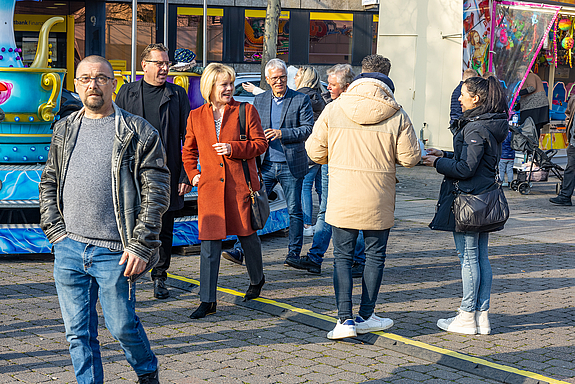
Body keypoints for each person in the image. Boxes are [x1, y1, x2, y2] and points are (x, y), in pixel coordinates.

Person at [39, 55, 170, 384]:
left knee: (122, 326)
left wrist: (141, 245)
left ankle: (146, 371)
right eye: (85, 79)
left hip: (116, 252)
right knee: (77, 334)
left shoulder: (137, 132)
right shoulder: (64, 129)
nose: (92, 85)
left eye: (100, 78)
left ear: (114, 84)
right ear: (76, 86)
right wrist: (56, 232)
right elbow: (49, 182)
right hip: (69, 248)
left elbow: (156, 193)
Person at [306, 64, 421, 340]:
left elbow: (313, 150)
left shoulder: (334, 108)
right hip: (379, 196)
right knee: (375, 257)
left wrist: (334, 158)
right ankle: (367, 315)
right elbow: (410, 158)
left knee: (342, 258)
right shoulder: (397, 112)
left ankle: (344, 320)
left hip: (343, 194)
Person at [422, 76, 509, 335]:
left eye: (463, 94)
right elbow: (474, 160)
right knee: (481, 257)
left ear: (476, 98)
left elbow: (466, 168)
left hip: (470, 200)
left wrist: (436, 164)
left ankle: (467, 314)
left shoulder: (474, 128)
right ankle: (481, 316)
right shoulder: (488, 123)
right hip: (483, 198)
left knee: (469, 258)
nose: (459, 98)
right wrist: (444, 154)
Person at [182, 63, 268, 319]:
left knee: (247, 237)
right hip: (209, 190)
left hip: (240, 187)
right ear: (210, 87)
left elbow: (260, 144)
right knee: (209, 245)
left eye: (231, 83)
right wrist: (193, 174)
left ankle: (257, 278)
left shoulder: (245, 110)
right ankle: (207, 300)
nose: (229, 88)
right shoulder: (196, 115)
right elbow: (188, 151)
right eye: (224, 84)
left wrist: (234, 148)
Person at [115, 43, 192, 300]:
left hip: (166, 173)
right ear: (144, 66)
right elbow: (114, 132)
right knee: (130, 223)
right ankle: (128, 275)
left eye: (166, 63)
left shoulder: (177, 94)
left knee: (164, 227)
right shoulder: (127, 93)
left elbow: (188, 138)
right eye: (159, 63)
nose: (164, 68)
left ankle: (160, 276)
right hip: (133, 172)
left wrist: (185, 174)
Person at [221, 59, 314, 266]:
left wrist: (283, 133)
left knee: (294, 210)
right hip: (265, 164)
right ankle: (239, 249)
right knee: (251, 205)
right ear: (267, 80)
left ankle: (293, 254)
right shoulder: (261, 100)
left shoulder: (300, 99)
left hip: (291, 164)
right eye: (274, 78)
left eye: (282, 77)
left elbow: (308, 128)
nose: (279, 81)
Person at [294, 66, 326, 236]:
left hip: (308, 149)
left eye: (297, 75)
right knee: (321, 187)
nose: (294, 78)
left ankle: (307, 225)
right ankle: (326, 221)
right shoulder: (321, 97)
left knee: (306, 186)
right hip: (322, 149)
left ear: (304, 78)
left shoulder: (300, 97)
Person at [550, 95, 575, 206]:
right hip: (573, 140)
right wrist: (568, 126)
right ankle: (565, 196)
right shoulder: (574, 98)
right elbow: (568, 114)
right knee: (570, 169)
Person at [518, 69, 549, 138]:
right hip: (536, 106)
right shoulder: (529, 78)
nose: (518, 77)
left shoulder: (530, 76)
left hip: (535, 106)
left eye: (518, 74)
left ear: (523, 72)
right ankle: (533, 145)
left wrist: (518, 93)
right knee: (534, 128)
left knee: (531, 128)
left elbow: (532, 88)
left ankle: (532, 146)